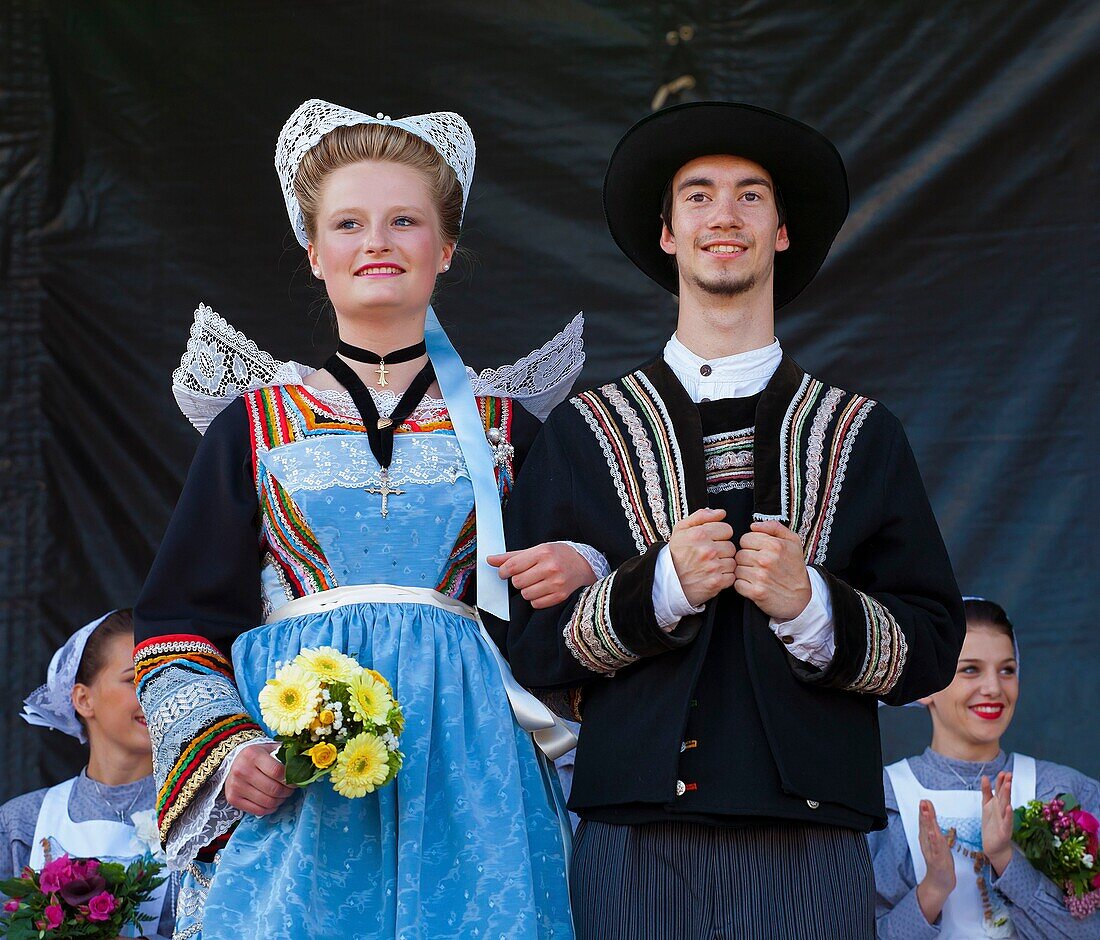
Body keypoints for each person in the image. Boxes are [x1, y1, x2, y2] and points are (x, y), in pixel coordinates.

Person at [499, 101, 966, 939]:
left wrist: (813, 605)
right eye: (699, 195)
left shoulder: (861, 432)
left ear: (783, 232)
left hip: (812, 836)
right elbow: (527, 648)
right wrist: (658, 588)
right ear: (670, 234)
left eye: (751, 196)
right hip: (633, 831)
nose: (725, 215)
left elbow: (931, 647)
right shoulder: (585, 429)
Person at [133, 99, 580, 939]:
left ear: (444, 249)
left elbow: (570, 617)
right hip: (298, 779)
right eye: (349, 222)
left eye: (404, 219)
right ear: (314, 253)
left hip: (470, 777)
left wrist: (584, 563)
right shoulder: (254, 424)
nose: (376, 241)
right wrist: (233, 753)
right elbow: (176, 630)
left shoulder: (506, 427)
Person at [871, 597, 1100, 938]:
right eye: (970, 669)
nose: (994, 688)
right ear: (926, 686)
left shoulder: (1061, 791)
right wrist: (934, 888)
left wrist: (1006, 859)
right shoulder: (881, 801)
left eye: (1007, 669)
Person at [1, 609, 175, 939]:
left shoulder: (201, 816)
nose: (154, 693)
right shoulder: (21, 821)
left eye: (164, 678)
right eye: (134, 679)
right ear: (83, 698)